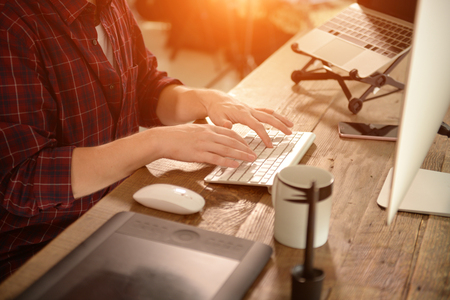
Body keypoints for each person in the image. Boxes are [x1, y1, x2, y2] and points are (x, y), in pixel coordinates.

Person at [0, 0, 293, 282]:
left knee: (246, 259)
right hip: (41, 246)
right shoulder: (11, 23)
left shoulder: (111, 6)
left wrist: (203, 99)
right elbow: (23, 179)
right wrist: (155, 143)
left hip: (116, 209)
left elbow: (144, 87)